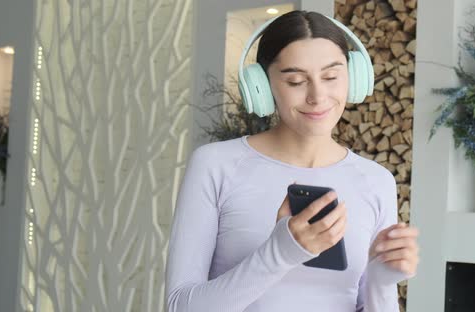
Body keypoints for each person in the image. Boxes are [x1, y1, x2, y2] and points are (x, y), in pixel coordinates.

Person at [165, 10, 419, 312]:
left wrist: (381, 281)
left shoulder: (376, 181)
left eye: (331, 76)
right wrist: (280, 252)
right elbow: (180, 306)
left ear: (354, 77)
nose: (317, 95)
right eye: (296, 81)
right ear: (261, 85)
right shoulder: (216, 165)